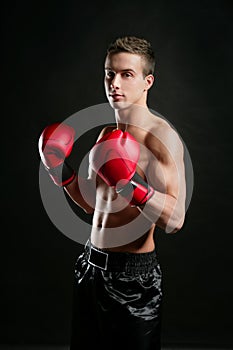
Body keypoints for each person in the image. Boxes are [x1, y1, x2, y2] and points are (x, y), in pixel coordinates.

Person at [38, 36, 186, 350]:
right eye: (109, 73)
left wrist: (130, 183)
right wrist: (58, 169)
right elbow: (93, 206)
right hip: (90, 269)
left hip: (133, 281)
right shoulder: (108, 134)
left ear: (147, 81)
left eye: (126, 74)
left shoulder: (161, 139)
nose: (114, 83)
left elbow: (175, 220)